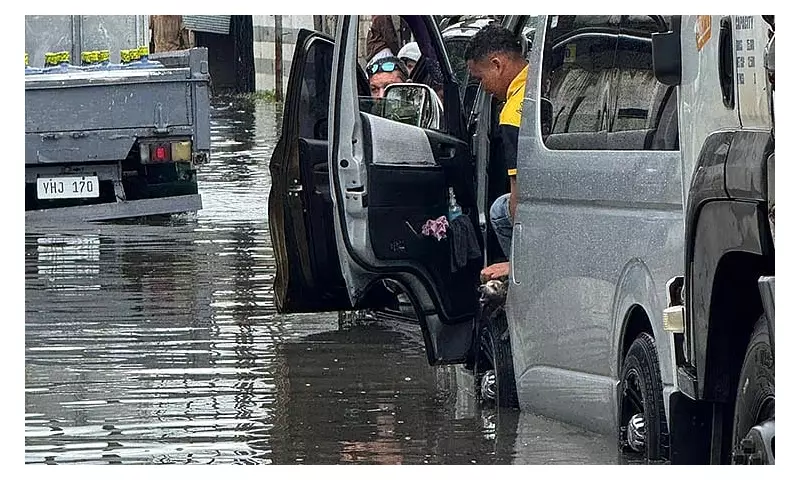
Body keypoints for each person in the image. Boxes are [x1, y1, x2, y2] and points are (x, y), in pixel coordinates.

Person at [465, 24, 528, 281]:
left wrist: (518, 262)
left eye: (481, 79)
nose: (485, 89)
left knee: (500, 210)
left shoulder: (513, 111)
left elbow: (518, 195)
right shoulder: (544, 80)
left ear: (497, 64)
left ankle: (517, 275)